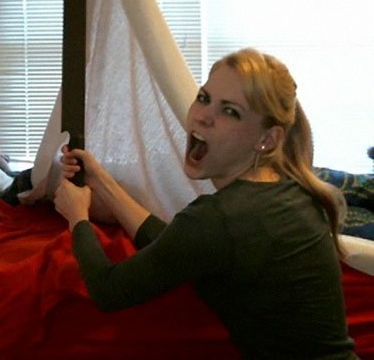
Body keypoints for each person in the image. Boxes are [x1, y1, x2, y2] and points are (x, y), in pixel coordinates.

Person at [54, 48, 356, 359]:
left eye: (230, 111)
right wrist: (102, 181)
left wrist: (77, 216)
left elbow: (108, 290)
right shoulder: (284, 190)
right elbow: (177, 246)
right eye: (203, 98)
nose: (203, 116)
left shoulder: (222, 216)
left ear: (267, 139)